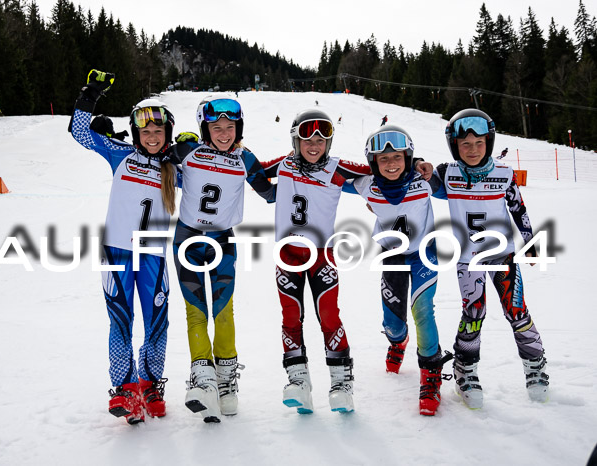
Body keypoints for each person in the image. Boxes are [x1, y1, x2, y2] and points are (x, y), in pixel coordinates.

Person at [261, 111, 432, 415]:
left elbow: (379, 165)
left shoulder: (336, 168)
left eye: (320, 140)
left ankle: (342, 384)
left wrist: (416, 163)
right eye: (306, 139)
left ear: (328, 143)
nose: (313, 146)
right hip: (286, 253)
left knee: (329, 315)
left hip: (322, 253)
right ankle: (298, 381)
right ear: (295, 140)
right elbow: (249, 170)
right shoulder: (284, 164)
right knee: (291, 316)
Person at [69, 70, 178, 424]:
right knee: (121, 321)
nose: (151, 137)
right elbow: (80, 132)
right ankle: (126, 388)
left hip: (153, 255)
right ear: (135, 133)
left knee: (157, 323)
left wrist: (191, 145)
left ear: (167, 135)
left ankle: (149, 382)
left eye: (158, 132)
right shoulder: (121, 154)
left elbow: (216, 173)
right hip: (116, 251)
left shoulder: (175, 165)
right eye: (145, 132)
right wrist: (91, 94)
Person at [430, 108, 549, 409]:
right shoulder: (447, 174)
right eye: (465, 144)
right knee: (474, 313)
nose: (472, 149)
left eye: (479, 142)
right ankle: (465, 370)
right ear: (454, 145)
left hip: (502, 254)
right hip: (468, 259)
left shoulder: (505, 175)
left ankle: (535, 366)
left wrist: (531, 241)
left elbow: (519, 210)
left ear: (490, 142)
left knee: (517, 310)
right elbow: (413, 187)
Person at [169, 94, 276, 423]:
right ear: (205, 128)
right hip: (187, 238)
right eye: (217, 127)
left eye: (231, 126)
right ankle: (203, 380)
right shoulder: (188, 151)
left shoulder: (245, 157)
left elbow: (270, 192)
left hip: (222, 239)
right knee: (195, 311)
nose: (224, 133)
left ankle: (226, 382)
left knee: (223, 310)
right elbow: (150, 152)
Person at [350, 125, 451, 416]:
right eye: (383, 159)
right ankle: (398, 341)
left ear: (408, 157)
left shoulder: (423, 178)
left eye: (397, 157)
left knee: (423, 311)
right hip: (392, 255)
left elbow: (453, 182)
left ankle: (430, 375)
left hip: (423, 254)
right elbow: (329, 176)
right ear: (373, 163)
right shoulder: (365, 183)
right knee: (393, 323)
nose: (391, 164)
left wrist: (430, 168)